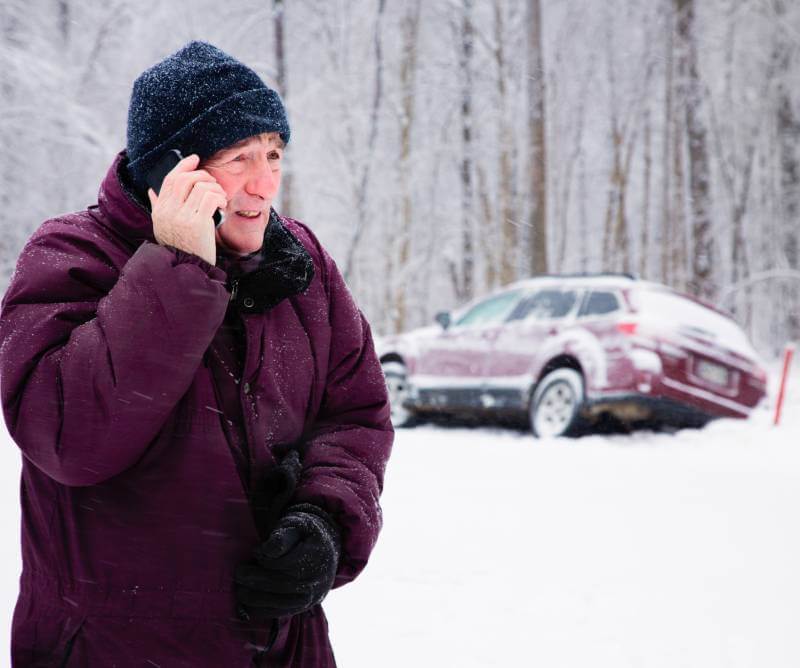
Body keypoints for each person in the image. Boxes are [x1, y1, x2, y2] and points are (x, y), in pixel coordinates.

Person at [0, 41, 393, 667]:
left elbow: (355, 415)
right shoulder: (70, 258)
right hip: (115, 647)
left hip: (281, 647)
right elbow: (69, 439)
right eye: (239, 158)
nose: (266, 184)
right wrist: (178, 265)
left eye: (273, 154)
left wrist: (326, 520)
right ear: (171, 173)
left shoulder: (302, 266)